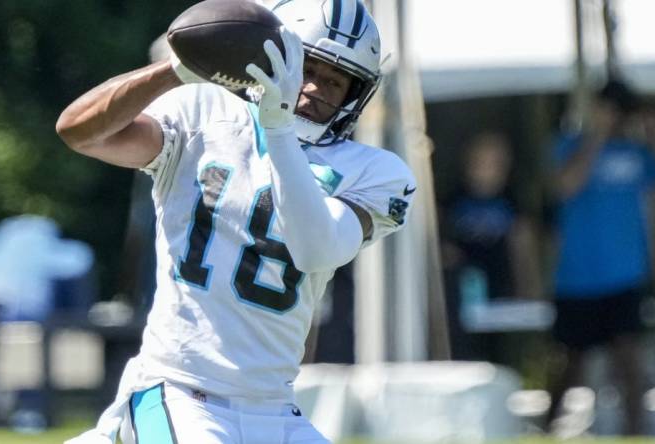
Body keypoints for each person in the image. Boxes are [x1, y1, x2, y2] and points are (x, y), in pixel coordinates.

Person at [56, 0, 416, 442]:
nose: (316, 89)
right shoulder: (203, 113)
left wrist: (280, 131)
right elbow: (80, 131)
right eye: (306, 67)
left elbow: (316, 248)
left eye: (336, 81)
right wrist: (176, 71)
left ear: (355, 94)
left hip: (276, 406)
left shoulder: (377, 172)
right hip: (179, 390)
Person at [545, 80, 655, 435]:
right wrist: (596, 135)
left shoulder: (639, 152)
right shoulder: (568, 145)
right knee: (572, 366)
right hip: (577, 277)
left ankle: (636, 433)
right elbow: (565, 186)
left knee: (631, 363)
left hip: (626, 276)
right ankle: (544, 430)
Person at [441, 131, 541, 363]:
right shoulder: (453, 198)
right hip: (461, 291)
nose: (486, 170)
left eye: (494, 163)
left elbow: (522, 248)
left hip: (500, 286)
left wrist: (528, 286)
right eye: (480, 162)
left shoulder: (512, 200)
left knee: (498, 351)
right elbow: (437, 240)